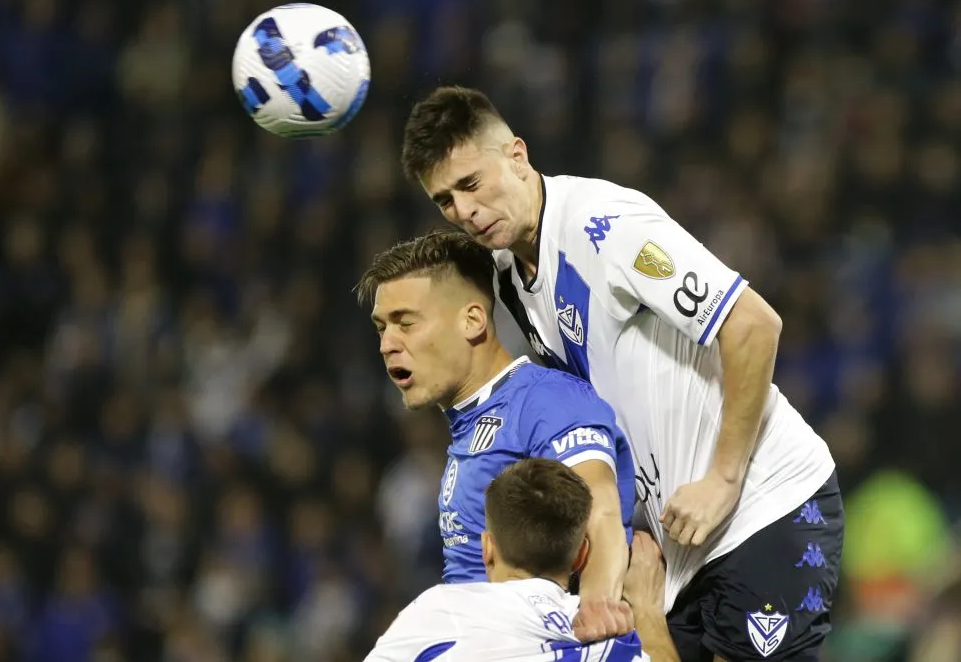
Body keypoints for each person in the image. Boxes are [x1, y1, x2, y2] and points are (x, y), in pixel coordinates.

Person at [399, 86, 844, 661]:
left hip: (763, 505)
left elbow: (754, 324)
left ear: (516, 155)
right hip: (678, 537)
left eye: (470, 184)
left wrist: (724, 478)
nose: (464, 212)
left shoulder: (604, 229)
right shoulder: (510, 276)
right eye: (444, 201)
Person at [356, 230, 636, 641]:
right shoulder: (469, 425)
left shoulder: (543, 402)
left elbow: (600, 508)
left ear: (472, 320)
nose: (387, 344)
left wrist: (597, 611)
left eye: (406, 323)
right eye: (381, 327)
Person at [365, 458, 678, 661]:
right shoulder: (607, 634)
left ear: (486, 548)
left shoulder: (439, 610)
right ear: (581, 555)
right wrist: (649, 612)